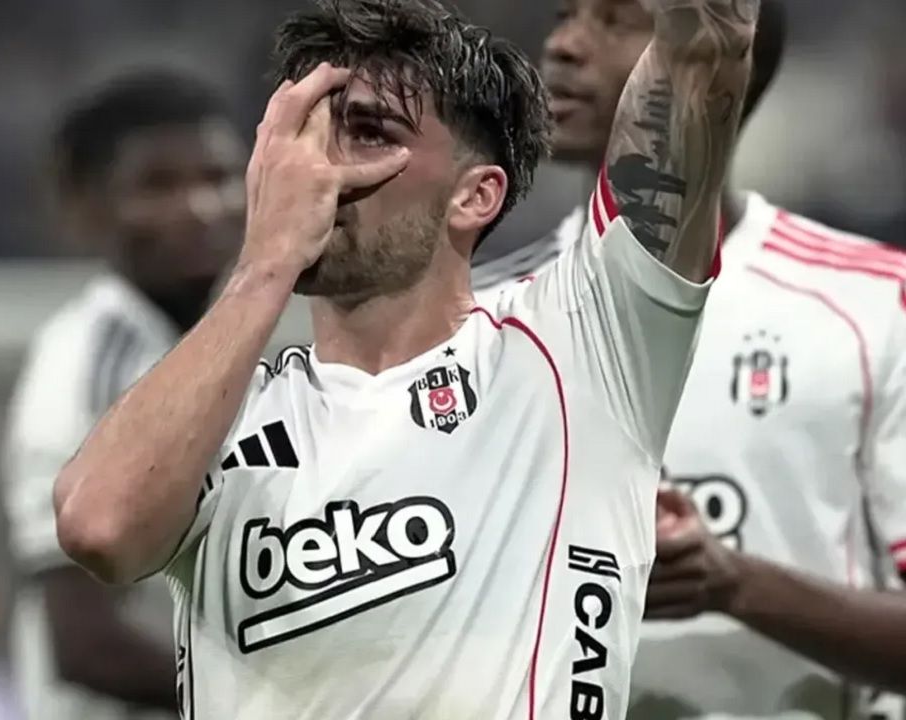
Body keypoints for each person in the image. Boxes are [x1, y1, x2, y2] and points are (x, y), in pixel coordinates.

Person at [53, 0, 755, 716]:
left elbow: (706, 47)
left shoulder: (583, 349)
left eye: (367, 132)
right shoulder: (224, 418)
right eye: (305, 134)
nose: (318, 170)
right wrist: (263, 265)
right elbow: (98, 529)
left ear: (474, 196)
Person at [473, 0, 906, 716]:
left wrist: (733, 584)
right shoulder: (484, 313)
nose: (565, 46)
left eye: (616, 21)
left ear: (726, 55)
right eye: (563, 16)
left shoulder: (875, 302)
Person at [4, 68, 246, 719]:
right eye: (158, 186)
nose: (200, 207)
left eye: (219, 178)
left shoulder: (197, 353)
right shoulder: (94, 364)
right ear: (87, 209)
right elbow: (83, 642)